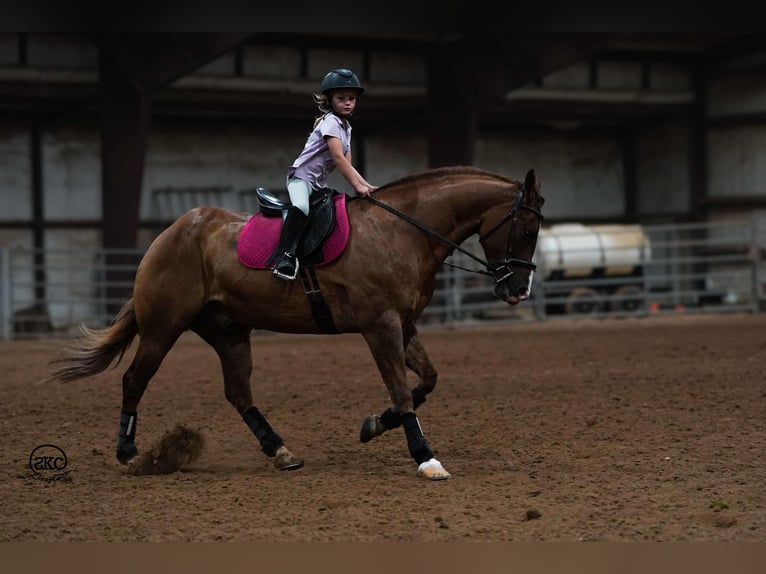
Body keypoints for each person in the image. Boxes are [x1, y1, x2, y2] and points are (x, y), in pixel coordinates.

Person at [272, 68, 378, 281]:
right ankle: (285, 256)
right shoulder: (330, 122)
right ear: (330, 100)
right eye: (341, 98)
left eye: (351, 99)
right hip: (300, 179)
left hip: (317, 185)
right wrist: (357, 188)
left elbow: (349, 165)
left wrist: (368, 186)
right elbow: (338, 160)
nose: (348, 102)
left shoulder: (346, 128)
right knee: (301, 207)